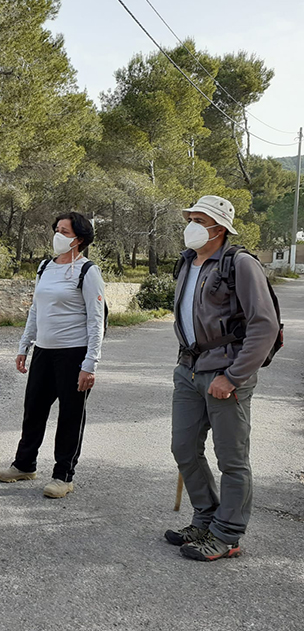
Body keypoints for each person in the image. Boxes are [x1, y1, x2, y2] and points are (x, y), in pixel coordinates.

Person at [164, 195, 278, 561]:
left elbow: (264, 325)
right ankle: (206, 518)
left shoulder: (240, 264)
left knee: (231, 458)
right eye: (191, 217)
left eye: (200, 219)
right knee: (183, 447)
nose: (192, 224)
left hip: (226, 372)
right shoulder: (187, 261)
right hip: (189, 369)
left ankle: (227, 534)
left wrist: (233, 376)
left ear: (219, 228)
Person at [0, 211, 105, 499]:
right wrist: (24, 346)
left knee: (70, 416)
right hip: (44, 352)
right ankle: (24, 464)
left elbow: (97, 321)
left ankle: (63, 475)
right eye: (56, 229)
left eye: (65, 231)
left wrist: (90, 364)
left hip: (73, 354)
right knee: (33, 411)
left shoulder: (88, 271)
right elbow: (36, 309)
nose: (58, 235)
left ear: (79, 239)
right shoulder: (45, 266)